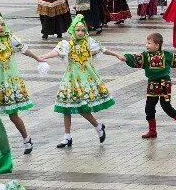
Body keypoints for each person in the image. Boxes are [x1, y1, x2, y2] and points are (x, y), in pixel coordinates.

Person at [36, 14, 118, 148]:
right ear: (73, 30)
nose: (80, 32)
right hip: (71, 78)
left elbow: (103, 49)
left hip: (85, 79)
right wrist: (44, 56)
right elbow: (57, 51)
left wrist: (117, 55)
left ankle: (98, 127)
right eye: (77, 30)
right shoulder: (67, 44)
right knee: (66, 107)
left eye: (82, 30)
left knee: (81, 107)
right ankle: (67, 136)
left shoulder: (89, 42)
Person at [0, 11, 46, 155]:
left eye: (2, 24)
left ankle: (26, 139)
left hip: (10, 81)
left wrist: (37, 58)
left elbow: (24, 49)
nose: (1, 27)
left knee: (13, 114)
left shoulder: (10, 38)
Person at [118, 32, 176, 138]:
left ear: (157, 45)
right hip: (152, 84)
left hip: (164, 84)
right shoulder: (145, 56)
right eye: (146, 43)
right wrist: (126, 57)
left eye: (149, 43)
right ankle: (152, 131)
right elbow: (136, 58)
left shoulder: (166, 55)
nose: (146, 45)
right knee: (149, 108)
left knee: (166, 106)